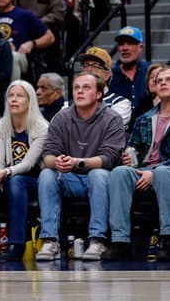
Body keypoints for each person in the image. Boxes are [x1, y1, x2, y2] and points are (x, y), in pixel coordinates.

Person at [103, 66, 170, 261]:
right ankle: (120, 240)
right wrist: (129, 157)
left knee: (163, 173)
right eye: (159, 80)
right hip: (144, 169)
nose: (162, 83)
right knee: (119, 172)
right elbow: (133, 148)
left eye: (169, 79)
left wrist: (154, 171)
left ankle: (169, 238)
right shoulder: (144, 118)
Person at [35, 72, 125, 261]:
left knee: (97, 174)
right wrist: (58, 162)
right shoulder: (61, 117)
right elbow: (48, 154)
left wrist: (78, 162)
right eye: (76, 88)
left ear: (98, 94)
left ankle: (97, 240)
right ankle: (50, 240)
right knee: (47, 174)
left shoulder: (112, 118)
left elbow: (109, 158)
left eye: (86, 87)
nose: (79, 92)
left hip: (101, 180)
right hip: (71, 178)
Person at [0, 80, 49, 260]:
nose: (14, 99)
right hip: (8, 176)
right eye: (11, 96)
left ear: (30, 101)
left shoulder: (42, 127)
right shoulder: (0, 126)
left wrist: (5, 172)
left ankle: (16, 243)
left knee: (16, 181)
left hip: (36, 181)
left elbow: (28, 163)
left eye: (20, 96)